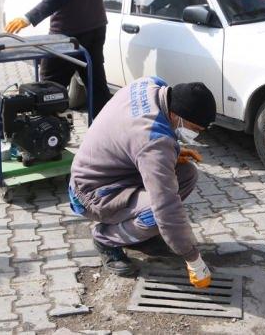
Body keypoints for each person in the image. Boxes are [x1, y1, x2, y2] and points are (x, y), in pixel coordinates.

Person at [68, 76, 216, 288]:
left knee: (187, 174)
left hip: (111, 173)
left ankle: (139, 236)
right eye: (195, 128)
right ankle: (106, 239)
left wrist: (173, 153)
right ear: (176, 115)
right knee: (157, 214)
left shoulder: (150, 84)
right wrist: (192, 257)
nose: (196, 134)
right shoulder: (154, 142)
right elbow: (167, 208)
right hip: (91, 193)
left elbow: (134, 141)